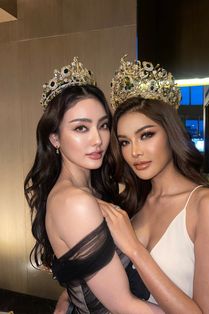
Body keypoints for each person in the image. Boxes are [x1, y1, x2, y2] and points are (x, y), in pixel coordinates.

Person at [24, 57, 165, 314]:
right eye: (80, 128)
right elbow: (123, 305)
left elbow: (85, 279)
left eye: (103, 126)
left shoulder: (87, 192)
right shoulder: (75, 202)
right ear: (55, 138)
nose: (97, 140)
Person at [101, 56, 209, 314]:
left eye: (146, 135)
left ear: (170, 133)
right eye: (125, 142)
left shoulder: (207, 206)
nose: (134, 152)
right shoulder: (131, 201)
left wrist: (134, 249)